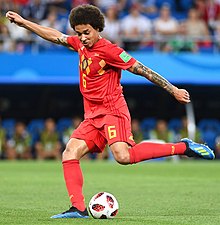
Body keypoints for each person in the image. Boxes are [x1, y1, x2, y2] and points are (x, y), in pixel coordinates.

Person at [6, 4, 215, 219]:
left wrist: (173, 89)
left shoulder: (111, 51)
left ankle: (183, 147)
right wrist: (24, 23)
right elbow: (55, 36)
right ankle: (77, 208)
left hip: (112, 111)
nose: (83, 37)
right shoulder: (80, 44)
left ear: (97, 28)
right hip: (92, 115)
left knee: (123, 157)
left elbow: (143, 70)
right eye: (79, 33)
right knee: (70, 152)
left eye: (87, 32)